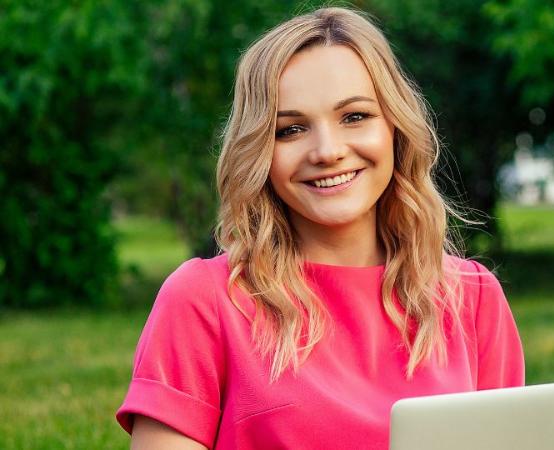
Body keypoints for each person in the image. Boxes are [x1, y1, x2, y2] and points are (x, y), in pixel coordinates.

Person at [116, 6, 524, 450]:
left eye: (354, 117)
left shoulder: (473, 296)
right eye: (290, 129)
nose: (327, 151)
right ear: (258, 152)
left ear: (395, 127)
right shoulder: (204, 301)